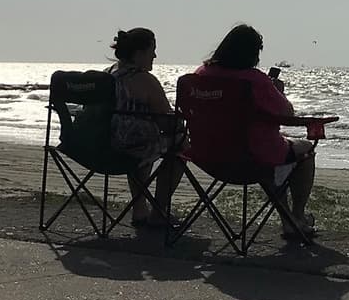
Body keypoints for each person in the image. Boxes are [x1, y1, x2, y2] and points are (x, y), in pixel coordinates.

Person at [194, 23, 318, 240]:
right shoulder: (254, 80)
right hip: (251, 158)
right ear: (253, 53)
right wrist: (277, 91)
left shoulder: (201, 74)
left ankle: (288, 219)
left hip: (208, 156)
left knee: (269, 157)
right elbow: (287, 114)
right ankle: (296, 217)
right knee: (304, 149)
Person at [106, 27, 186, 228]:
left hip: (105, 145)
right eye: (152, 50)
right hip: (133, 147)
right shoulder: (145, 80)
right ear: (139, 53)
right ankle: (158, 210)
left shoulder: (108, 75)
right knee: (181, 144)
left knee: (143, 141)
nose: (155, 56)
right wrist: (182, 119)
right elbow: (167, 122)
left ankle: (140, 209)